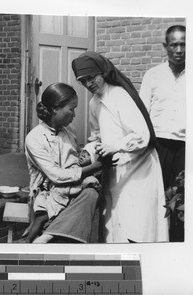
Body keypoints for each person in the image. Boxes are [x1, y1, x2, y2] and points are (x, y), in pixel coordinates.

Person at [72, 51, 168, 243]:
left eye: (91, 78)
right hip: (115, 168)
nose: (89, 84)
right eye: (83, 81)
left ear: (102, 73)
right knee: (115, 221)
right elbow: (97, 134)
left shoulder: (120, 96)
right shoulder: (94, 103)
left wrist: (115, 146)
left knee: (137, 223)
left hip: (139, 168)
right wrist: (91, 150)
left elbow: (142, 135)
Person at [24, 82, 114, 243]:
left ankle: (48, 234)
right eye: (71, 109)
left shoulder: (69, 130)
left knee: (92, 192)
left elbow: (74, 163)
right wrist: (95, 167)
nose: (74, 114)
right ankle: (54, 231)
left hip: (72, 188)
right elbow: (56, 176)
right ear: (55, 109)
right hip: (48, 194)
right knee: (86, 199)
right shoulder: (34, 138)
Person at [139, 25, 185, 242]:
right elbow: (143, 113)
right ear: (165, 46)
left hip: (186, 146)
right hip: (159, 145)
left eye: (184, 44)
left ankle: (179, 242)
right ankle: (157, 241)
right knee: (158, 196)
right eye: (174, 44)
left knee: (182, 198)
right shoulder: (153, 75)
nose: (179, 49)